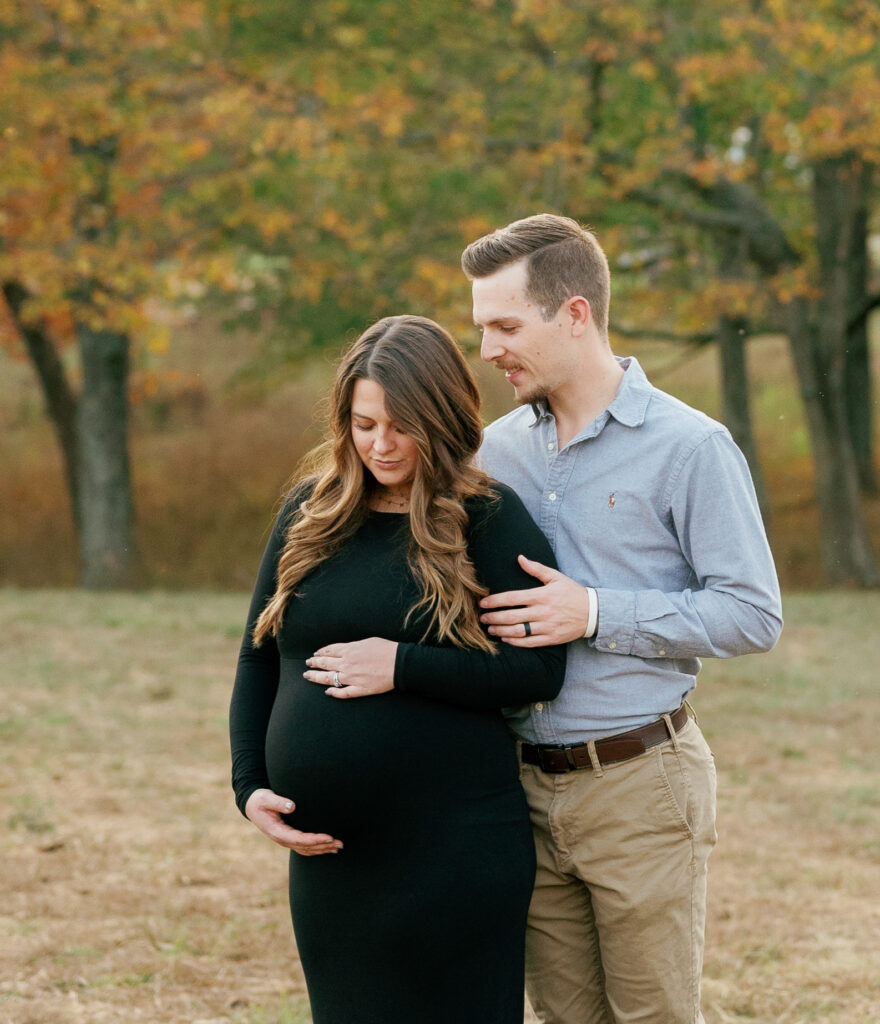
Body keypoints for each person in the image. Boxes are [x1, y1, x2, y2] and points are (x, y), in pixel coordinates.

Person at [461, 214, 784, 1024]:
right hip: (523, 789)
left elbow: (752, 613)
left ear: (574, 313)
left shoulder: (691, 447)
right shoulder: (494, 453)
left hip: (641, 786)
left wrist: (595, 612)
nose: (488, 349)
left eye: (505, 326)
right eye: (481, 329)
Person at [228, 314, 566, 1024]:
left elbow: (535, 675)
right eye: (363, 423)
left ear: (441, 417)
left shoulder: (488, 519)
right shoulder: (308, 511)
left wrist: (403, 666)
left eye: (401, 425)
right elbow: (260, 653)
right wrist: (249, 784)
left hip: (456, 852)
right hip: (335, 866)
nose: (381, 444)